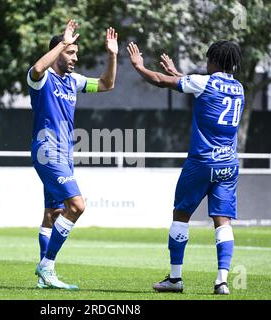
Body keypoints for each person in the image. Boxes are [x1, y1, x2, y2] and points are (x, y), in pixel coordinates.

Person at [127, 40, 244, 295]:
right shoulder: (239, 88)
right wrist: (179, 74)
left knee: (181, 215)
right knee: (222, 221)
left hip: (202, 162)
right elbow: (194, 85)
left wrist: (139, 66)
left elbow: (158, 80)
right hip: (228, 164)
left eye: (208, 59)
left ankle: (175, 278)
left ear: (213, 61)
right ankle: (222, 281)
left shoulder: (204, 82)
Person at [27, 19, 118, 290]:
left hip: (64, 154)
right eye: (70, 52)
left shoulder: (73, 81)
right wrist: (63, 43)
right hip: (47, 152)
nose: (75, 57)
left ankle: (45, 276)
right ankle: (47, 266)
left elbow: (106, 84)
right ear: (58, 51)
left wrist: (112, 55)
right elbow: (37, 68)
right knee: (77, 206)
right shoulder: (41, 79)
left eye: (76, 52)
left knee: (53, 213)